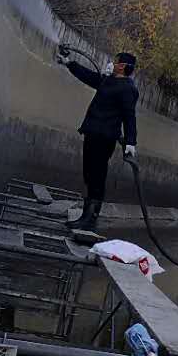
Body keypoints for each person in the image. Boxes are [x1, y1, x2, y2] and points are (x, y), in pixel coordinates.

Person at [55, 48, 139, 231]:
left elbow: (129, 116)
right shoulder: (107, 81)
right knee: (88, 174)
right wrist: (69, 63)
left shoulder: (128, 89)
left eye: (115, 61)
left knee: (97, 176)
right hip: (92, 133)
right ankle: (86, 216)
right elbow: (88, 76)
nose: (112, 63)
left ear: (122, 66)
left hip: (105, 137)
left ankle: (90, 219)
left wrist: (131, 142)